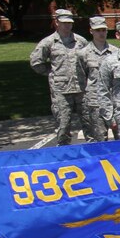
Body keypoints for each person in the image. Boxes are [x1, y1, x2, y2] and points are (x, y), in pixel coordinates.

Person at [29, 8, 89, 145]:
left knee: (89, 122)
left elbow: (89, 61)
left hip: (82, 88)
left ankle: (92, 152)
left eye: (70, 23)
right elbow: (36, 62)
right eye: (64, 23)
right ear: (56, 22)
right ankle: (64, 154)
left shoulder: (80, 41)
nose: (67, 25)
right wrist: (51, 72)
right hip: (61, 90)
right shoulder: (48, 42)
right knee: (63, 125)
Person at [76, 15, 114, 142]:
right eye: (98, 30)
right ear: (91, 31)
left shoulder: (115, 52)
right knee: (100, 138)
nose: (101, 33)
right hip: (95, 102)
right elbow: (82, 79)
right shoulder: (83, 53)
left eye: (103, 30)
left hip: (114, 100)